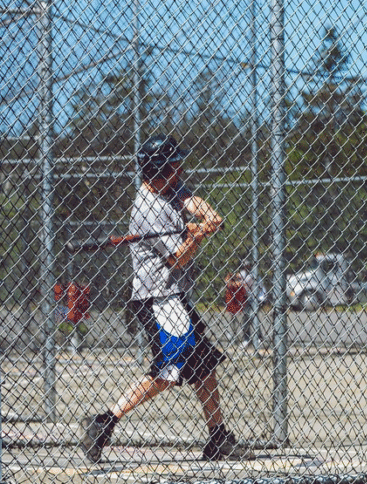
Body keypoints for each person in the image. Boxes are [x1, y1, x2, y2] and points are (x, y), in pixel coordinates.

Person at [80, 134, 256, 463]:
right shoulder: (148, 211)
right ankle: (103, 423)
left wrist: (207, 214)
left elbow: (190, 198)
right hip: (158, 300)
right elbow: (177, 258)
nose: (180, 170)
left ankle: (218, 437)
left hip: (173, 298)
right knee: (168, 371)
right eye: (174, 166)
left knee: (204, 365)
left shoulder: (167, 187)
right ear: (158, 171)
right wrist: (197, 235)